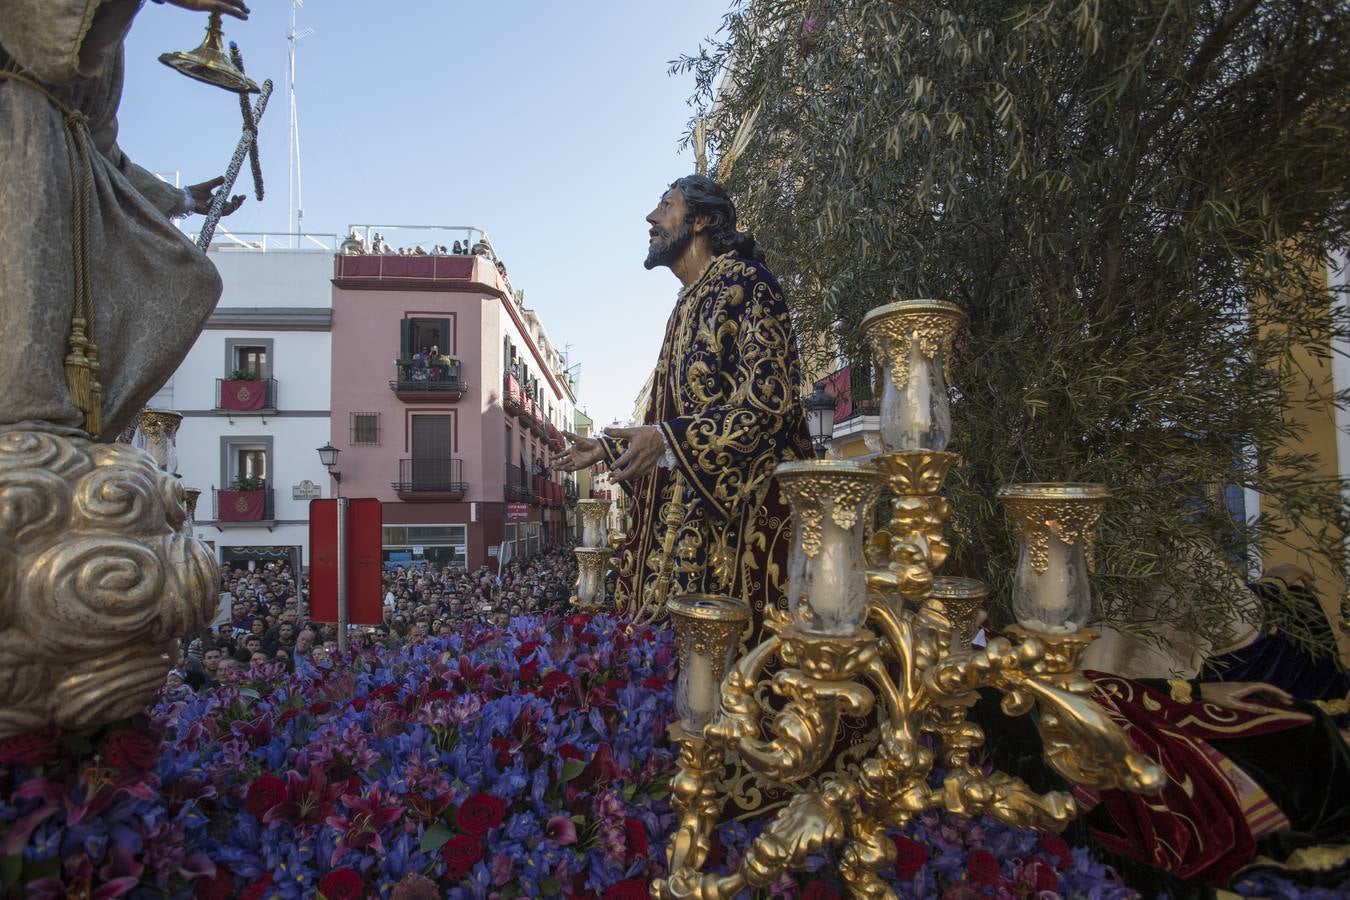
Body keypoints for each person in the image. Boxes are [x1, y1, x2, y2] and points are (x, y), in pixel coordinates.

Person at [554, 174, 811, 625]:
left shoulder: (750, 284)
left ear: (702, 221)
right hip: (682, 527)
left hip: (737, 532)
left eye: (666, 206)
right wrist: (609, 448)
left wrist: (667, 440)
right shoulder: (683, 306)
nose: (651, 218)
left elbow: (766, 408)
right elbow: (669, 412)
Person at [0, 0, 250, 438]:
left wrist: (184, 198)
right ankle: (31, 420)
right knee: (27, 296)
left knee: (191, 278)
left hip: (70, 171)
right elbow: (45, 42)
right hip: (20, 147)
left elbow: (105, 149)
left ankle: (87, 424)